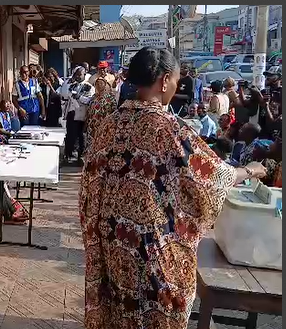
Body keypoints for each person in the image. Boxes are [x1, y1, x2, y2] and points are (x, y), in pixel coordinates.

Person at [79, 46, 266, 329]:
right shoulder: (169, 129)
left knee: (120, 314)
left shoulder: (109, 124)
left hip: (112, 244)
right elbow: (213, 178)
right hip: (150, 252)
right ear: (164, 80)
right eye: (176, 80)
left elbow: (89, 184)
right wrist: (251, 170)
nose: (175, 86)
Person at [61, 66, 93, 164]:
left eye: (80, 74)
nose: (78, 77)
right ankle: (68, 155)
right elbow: (64, 95)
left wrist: (79, 97)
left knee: (81, 137)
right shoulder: (72, 85)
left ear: (85, 74)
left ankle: (81, 157)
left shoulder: (89, 86)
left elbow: (90, 100)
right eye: (77, 75)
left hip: (82, 115)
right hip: (71, 113)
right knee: (70, 135)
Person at [85, 77, 117, 155]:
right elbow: (88, 111)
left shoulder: (110, 98)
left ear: (105, 85)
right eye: (97, 84)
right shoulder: (93, 98)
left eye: (101, 83)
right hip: (92, 127)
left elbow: (114, 112)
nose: (99, 85)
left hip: (104, 126)